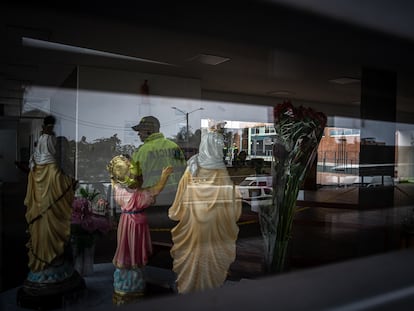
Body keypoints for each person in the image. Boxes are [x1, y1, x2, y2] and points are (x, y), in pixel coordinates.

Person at [168, 120, 242, 294]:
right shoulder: (220, 171)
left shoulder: (192, 168)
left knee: (195, 255)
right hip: (215, 225)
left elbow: (179, 199)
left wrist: (179, 210)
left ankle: (190, 285)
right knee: (211, 256)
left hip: (194, 225)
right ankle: (210, 288)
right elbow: (231, 201)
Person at [18, 115, 82, 310]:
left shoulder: (34, 169)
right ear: (52, 147)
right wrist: (71, 182)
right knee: (52, 236)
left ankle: (41, 265)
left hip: (39, 215)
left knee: (40, 233)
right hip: (51, 214)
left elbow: (31, 196)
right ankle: (53, 267)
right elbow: (64, 187)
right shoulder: (53, 171)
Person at [107, 155, 173, 304]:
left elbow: (114, 182)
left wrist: (114, 174)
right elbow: (156, 189)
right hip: (137, 224)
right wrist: (164, 176)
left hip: (125, 221)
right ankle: (135, 266)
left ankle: (125, 272)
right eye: (140, 176)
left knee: (125, 246)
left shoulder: (120, 192)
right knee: (135, 247)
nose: (142, 177)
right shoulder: (140, 195)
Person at [131, 115, 186, 206]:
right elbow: (184, 171)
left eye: (140, 130)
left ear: (148, 130)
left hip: (152, 200)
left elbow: (133, 179)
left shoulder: (143, 151)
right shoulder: (173, 147)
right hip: (175, 198)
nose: (138, 134)